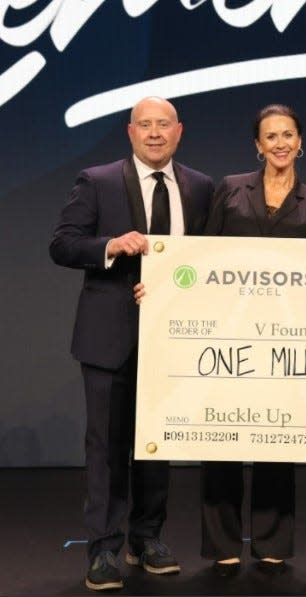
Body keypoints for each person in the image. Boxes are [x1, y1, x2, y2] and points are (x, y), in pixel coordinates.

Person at [49, 97, 213, 591]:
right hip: (108, 338)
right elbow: (62, 244)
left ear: (179, 131)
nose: (156, 133)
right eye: (146, 125)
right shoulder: (96, 181)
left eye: (164, 125)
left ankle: (147, 538)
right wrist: (110, 246)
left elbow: (208, 257)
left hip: (174, 338)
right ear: (130, 132)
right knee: (106, 447)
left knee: (155, 446)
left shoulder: (201, 187)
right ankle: (103, 548)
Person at [200, 104, 306, 577]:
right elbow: (203, 252)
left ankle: (273, 542)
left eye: (287, 134)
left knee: (276, 436)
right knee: (224, 436)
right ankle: (223, 544)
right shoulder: (231, 189)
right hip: (228, 332)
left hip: (285, 336)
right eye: (270, 136)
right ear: (257, 145)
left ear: (299, 141)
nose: (279, 143)